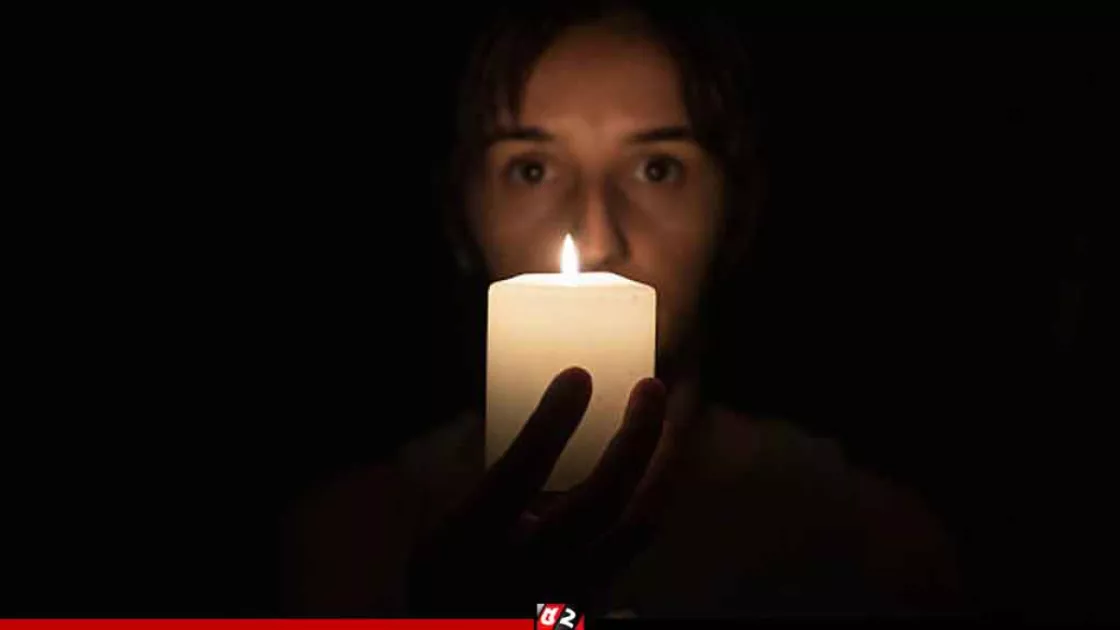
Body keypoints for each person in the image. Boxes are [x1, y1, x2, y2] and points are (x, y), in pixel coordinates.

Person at [283, 3, 961, 618]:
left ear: (737, 209)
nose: (597, 237)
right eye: (532, 169)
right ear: (461, 211)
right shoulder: (350, 546)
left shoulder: (868, 546)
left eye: (656, 168)